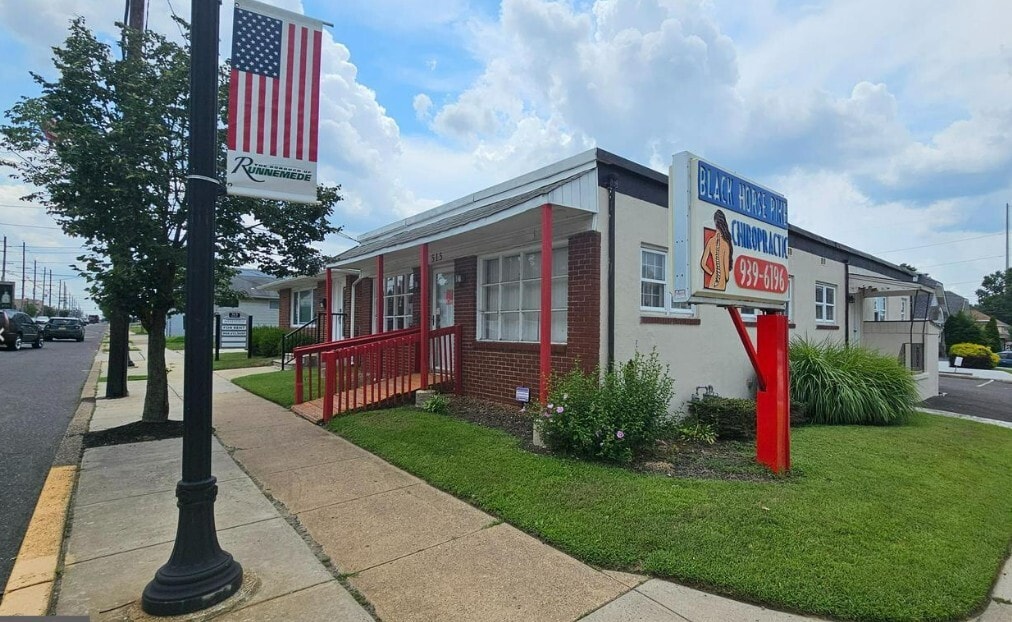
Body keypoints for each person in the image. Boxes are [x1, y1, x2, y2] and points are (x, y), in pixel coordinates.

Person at [700, 209, 733, 291]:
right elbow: (726, 274)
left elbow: (703, 263)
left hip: (713, 280)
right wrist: (726, 277)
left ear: (715, 223)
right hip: (721, 282)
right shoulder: (725, 244)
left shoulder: (711, 241)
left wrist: (711, 273)